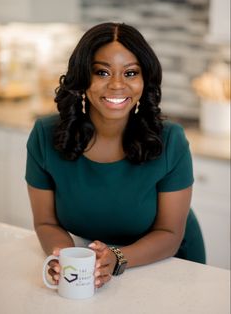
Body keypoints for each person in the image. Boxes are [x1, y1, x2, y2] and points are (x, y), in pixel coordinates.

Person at [25, 22, 206, 288]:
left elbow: (169, 233)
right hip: (96, 266)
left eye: (131, 73)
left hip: (169, 265)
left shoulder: (170, 140)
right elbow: (46, 222)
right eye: (102, 72)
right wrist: (66, 259)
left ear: (145, 81)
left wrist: (118, 257)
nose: (117, 85)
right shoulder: (46, 135)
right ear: (82, 77)